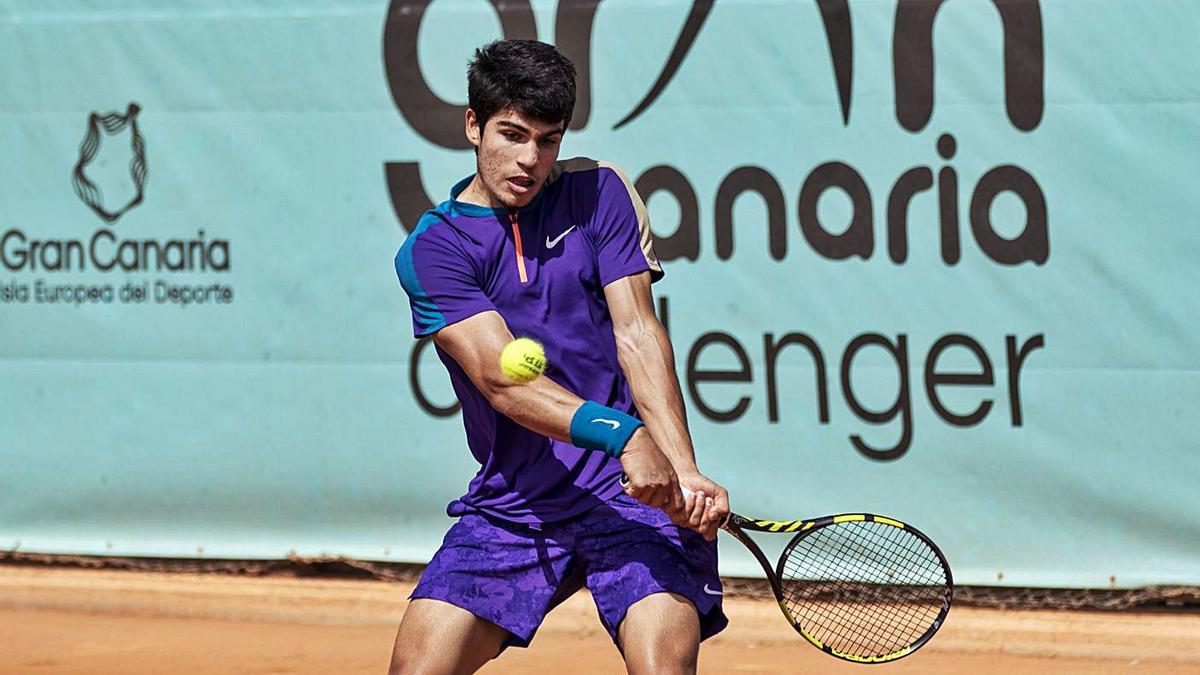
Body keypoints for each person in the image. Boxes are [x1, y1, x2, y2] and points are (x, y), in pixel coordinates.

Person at [390, 39, 730, 675]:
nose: (529, 160)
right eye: (511, 135)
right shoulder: (434, 249)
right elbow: (502, 383)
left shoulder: (599, 191)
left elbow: (637, 333)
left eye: (547, 141)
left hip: (631, 497)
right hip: (516, 505)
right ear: (472, 125)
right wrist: (626, 435)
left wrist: (682, 470)